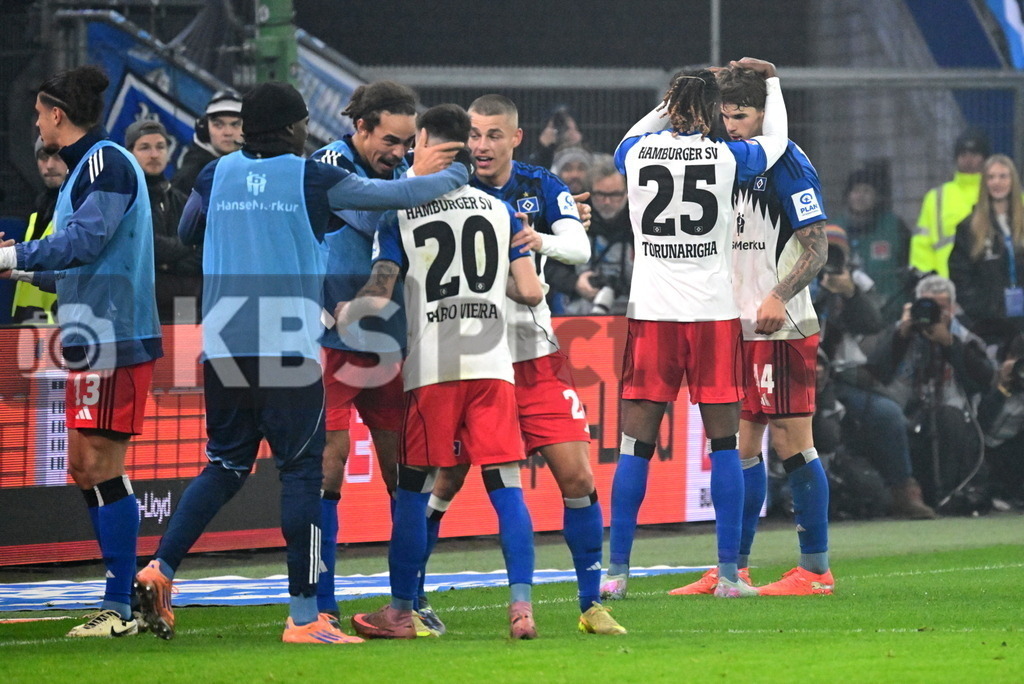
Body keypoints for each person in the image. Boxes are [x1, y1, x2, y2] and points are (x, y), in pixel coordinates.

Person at [131, 81, 470, 645]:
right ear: (290, 128)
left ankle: (159, 568)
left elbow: (187, 231)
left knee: (225, 464)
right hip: (286, 345)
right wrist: (457, 173)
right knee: (302, 475)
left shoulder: (215, 175)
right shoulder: (312, 175)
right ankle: (306, 616)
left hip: (221, 345)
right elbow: (394, 199)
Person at [420, 95, 626, 636]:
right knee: (445, 481)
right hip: (473, 358)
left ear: (516, 137)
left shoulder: (539, 186)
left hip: (535, 359)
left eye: (493, 135)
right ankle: (412, 596)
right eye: (474, 135)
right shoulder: (445, 185)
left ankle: (589, 605)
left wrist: (542, 239)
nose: (481, 145)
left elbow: (579, 250)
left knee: (578, 475)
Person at [342, 104, 544, 640]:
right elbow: (530, 290)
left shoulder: (401, 213)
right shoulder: (497, 209)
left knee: (412, 492)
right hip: (493, 365)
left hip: (432, 369)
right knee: (505, 487)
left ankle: (401, 611)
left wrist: (347, 312)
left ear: (426, 139)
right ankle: (522, 607)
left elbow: (381, 289)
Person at [601, 58, 788, 601]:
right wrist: (770, 84)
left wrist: (677, 97)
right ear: (713, 111)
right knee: (725, 445)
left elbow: (634, 134)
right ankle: (729, 576)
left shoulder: (636, 153)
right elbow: (776, 140)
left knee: (634, 444)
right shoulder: (729, 157)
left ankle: (616, 574)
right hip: (711, 314)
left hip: (653, 314)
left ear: (672, 106)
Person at [0, 65, 162, 637]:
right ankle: (128, 597)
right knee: (82, 467)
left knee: (98, 464)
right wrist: (18, 261)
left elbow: (85, 241)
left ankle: (120, 606)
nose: (36, 123)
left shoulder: (105, 161)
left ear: (58, 116)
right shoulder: (83, 172)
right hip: (91, 335)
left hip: (114, 335)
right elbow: (79, 264)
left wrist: (15, 255)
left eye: (40, 113)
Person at [669, 64, 832, 597]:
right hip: (731, 326)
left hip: (781, 327)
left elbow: (817, 246)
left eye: (741, 115)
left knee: (792, 440)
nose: (731, 125)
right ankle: (732, 569)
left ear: (765, 115)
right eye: (726, 115)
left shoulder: (787, 161)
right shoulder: (724, 158)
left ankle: (815, 570)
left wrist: (777, 296)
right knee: (740, 446)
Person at [310, 80, 458, 629]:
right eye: (389, 141)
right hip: (333, 340)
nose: (396, 153)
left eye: (405, 143)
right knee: (328, 466)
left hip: (392, 342)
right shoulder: (327, 166)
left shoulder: (400, 174)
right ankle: (320, 604)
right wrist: (420, 178)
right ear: (362, 126)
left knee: (406, 472)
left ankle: (408, 601)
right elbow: (378, 219)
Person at [815, 225, 937, 519]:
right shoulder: (796, 277)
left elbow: (872, 323)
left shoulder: (855, 281)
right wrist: (821, 294)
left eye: (837, 253)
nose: (830, 260)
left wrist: (851, 294)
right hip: (798, 375)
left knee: (887, 412)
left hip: (841, 376)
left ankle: (903, 491)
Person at [868, 275, 993, 509]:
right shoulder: (902, 332)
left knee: (947, 418)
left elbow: (984, 380)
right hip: (907, 411)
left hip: (954, 418)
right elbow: (877, 371)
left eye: (940, 306)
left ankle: (945, 497)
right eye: (926, 304)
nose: (932, 311)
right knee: (890, 419)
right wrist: (901, 335)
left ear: (953, 308)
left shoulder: (965, 337)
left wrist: (950, 345)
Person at [124, 119, 198, 324]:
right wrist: (186, 247)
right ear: (130, 153)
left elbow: (204, 250)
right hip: (141, 308)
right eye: (145, 147)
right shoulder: (123, 201)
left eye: (160, 147)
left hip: (185, 307)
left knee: (185, 356)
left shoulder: (182, 201)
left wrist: (166, 264)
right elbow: (145, 246)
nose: (154, 154)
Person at [948, 154, 1024, 348]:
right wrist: (988, 311)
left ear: (1013, 181)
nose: (997, 182)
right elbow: (960, 276)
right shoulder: (969, 227)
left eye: (1003, 176)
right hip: (989, 326)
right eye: (991, 177)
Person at [831, 165, 913, 319]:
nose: (860, 196)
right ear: (848, 195)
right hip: (846, 319)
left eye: (866, 191)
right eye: (856, 191)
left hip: (890, 315)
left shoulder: (893, 226)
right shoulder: (834, 230)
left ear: (877, 196)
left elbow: (909, 263)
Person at [910, 129, 989, 278]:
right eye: (963, 154)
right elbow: (921, 244)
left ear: (985, 158)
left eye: (974, 154)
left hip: (991, 282)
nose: (968, 160)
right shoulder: (936, 198)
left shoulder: (999, 192)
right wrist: (927, 281)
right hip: (946, 285)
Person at [9, 138, 65, 323]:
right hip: (28, 321)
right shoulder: (37, 212)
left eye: (57, 157)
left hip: (59, 326)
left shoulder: (78, 210)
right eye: (43, 157)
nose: (49, 165)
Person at [572, 160, 633, 315]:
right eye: (600, 194)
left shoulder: (641, 223)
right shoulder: (573, 220)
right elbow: (550, 266)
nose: (607, 202)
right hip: (580, 311)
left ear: (627, 192)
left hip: (635, 309)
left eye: (614, 195)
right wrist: (575, 283)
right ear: (589, 192)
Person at [170, 89, 243, 195]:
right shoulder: (188, 176)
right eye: (218, 125)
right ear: (204, 129)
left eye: (235, 124)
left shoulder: (258, 166)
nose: (228, 132)